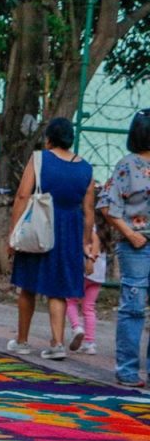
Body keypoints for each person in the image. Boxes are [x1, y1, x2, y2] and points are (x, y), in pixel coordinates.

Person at [9, 118, 94, 362]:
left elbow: (23, 195)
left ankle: (22, 341)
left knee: (28, 284)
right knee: (58, 289)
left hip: (38, 225)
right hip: (70, 230)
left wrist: (13, 232)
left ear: (48, 139)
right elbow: (88, 211)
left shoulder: (39, 159)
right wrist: (85, 243)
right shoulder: (86, 168)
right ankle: (57, 343)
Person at [99, 109, 150, 386]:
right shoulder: (126, 166)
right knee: (133, 306)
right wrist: (131, 234)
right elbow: (107, 206)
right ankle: (127, 369)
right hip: (136, 246)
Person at [66, 207, 109, 356]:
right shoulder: (105, 232)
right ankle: (90, 343)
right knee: (89, 308)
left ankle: (77, 328)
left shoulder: (89, 229)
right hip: (98, 275)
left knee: (70, 301)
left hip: (84, 270)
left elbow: (87, 245)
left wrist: (88, 257)